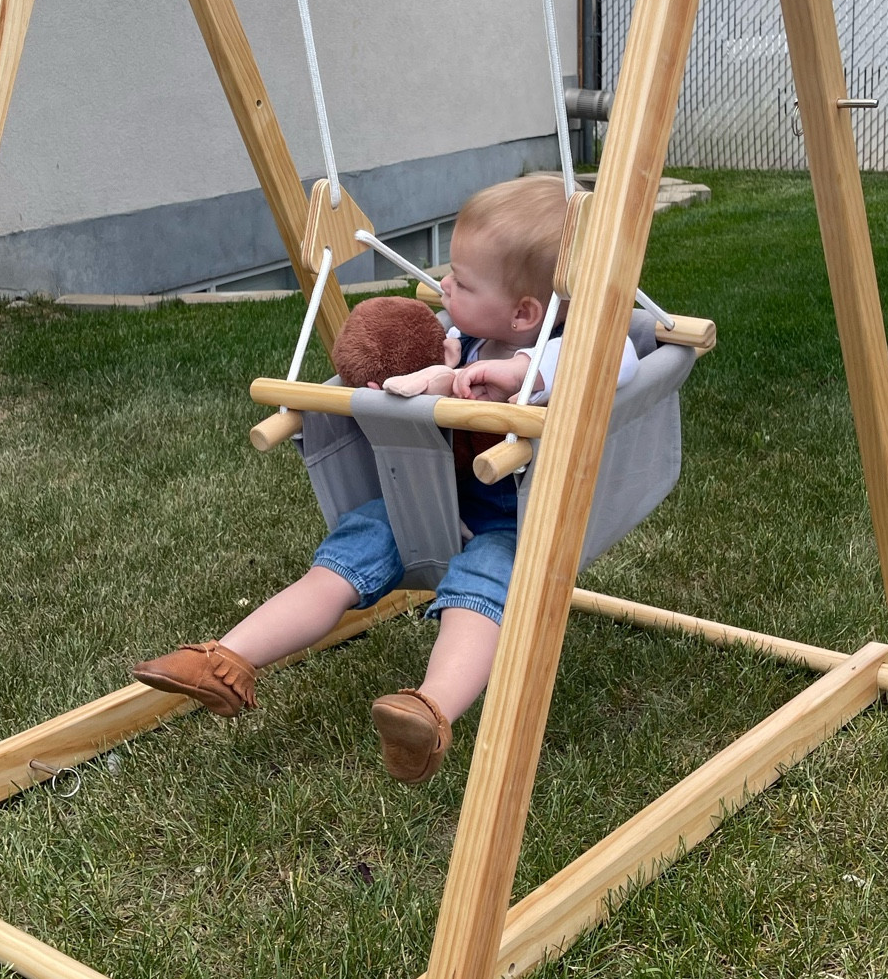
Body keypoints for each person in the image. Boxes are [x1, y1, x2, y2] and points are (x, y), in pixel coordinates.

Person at [132, 175, 637, 784]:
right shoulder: (463, 338)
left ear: (525, 311)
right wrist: (415, 373)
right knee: (348, 553)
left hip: (521, 523)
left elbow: (610, 361)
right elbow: (420, 365)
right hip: (427, 501)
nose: (442, 284)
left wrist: (521, 370)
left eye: (463, 281)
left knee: (479, 592)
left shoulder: (584, 344)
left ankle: (429, 711)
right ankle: (227, 659)